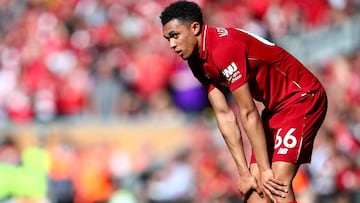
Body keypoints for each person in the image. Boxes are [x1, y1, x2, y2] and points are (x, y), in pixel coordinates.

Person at [159, 1, 328, 203]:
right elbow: (224, 115)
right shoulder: (196, 61)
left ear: (195, 27)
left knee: (276, 183)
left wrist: (266, 170)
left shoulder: (224, 48)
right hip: (275, 109)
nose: (172, 45)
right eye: (167, 39)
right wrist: (244, 173)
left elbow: (248, 112)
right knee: (253, 193)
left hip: (301, 98)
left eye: (175, 36)